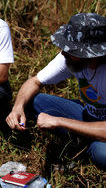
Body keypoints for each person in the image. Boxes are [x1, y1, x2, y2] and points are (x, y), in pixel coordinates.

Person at [6, 13, 106, 170]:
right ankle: (82, 139)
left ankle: (82, 146)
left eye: (72, 50)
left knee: (102, 154)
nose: (64, 53)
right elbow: (34, 82)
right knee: (33, 100)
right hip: (86, 115)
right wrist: (18, 107)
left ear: (90, 53)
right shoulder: (69, 57)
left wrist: (59, 121)